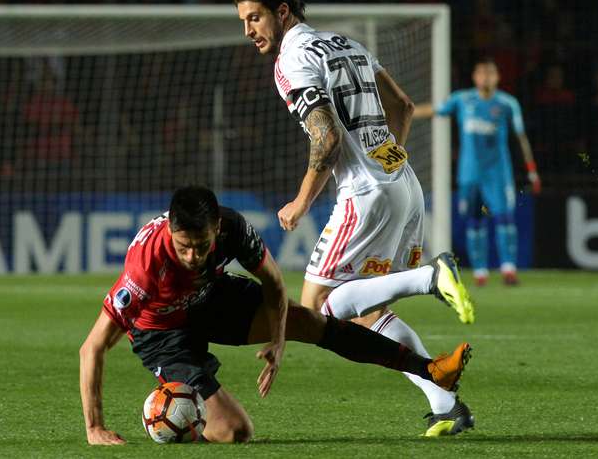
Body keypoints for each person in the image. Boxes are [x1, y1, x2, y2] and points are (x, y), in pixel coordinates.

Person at [234, 0, 475, 436]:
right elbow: (402, 106)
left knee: (318, 306)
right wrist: (385, 166)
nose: (248, 30)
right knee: (365, 311)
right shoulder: (346, 43)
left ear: (282, 12)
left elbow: (324, 140)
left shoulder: (291, 61)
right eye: (244, 20)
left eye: (255, 17)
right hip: (403, 182)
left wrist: (301, 202)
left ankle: (432, 277)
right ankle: (444, 399)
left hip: (365, 194)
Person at [79, 186, 472, 445]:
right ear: (170, 230)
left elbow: (273, 282)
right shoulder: (146, 268)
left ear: (217, 227)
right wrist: (94, 426)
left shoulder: (233, 228)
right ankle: (183, 420)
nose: (192, 256)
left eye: (201, 246)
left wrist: (279, 339)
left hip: (210, 298)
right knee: (236, 432)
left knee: (309, 319)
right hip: (163, 333)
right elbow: (93, 347)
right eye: (183, 247)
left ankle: (430, 370)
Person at [414, 57, 541, 286]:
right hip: (470, 174)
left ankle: (508, 269)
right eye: (481, 73)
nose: (486, 78)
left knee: (504, 218)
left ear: (497, 77)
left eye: (490, 73)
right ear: (475, 77)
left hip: (498, 174)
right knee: (475, 221)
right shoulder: (462, 100)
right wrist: (407, 111)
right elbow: (435, 110)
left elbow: (520, 137)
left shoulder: (506, 103)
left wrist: (531, 170)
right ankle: (480, 272)